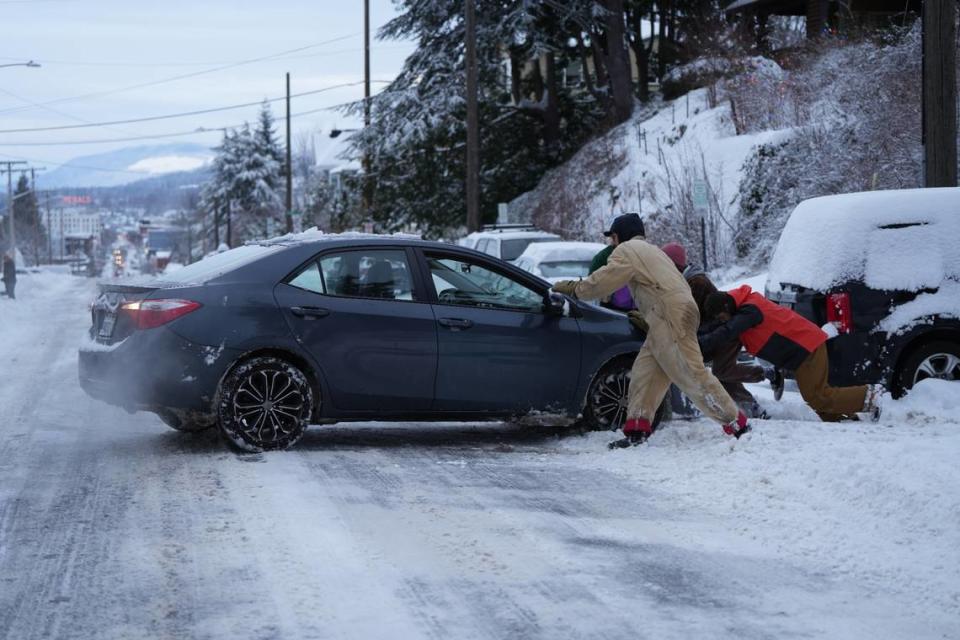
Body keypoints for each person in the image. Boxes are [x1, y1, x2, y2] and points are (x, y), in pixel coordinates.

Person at [552, 213, 750, 447]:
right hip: (668, 315)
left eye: (613, 237)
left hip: (670, 315)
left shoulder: (628, 250)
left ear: (621, 235)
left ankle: (738, 424)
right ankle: (637, 429)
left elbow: (604, 281)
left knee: (691, 372)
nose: (611, 243)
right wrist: (651, 316)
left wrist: (574, 289)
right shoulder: (652, 251)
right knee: (645, 373)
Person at [700, 286, 882, 422]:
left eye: (722, 316)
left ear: (726, 306)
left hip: (807, 347)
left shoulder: (750, 310)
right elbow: (719, 327)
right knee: (819, 403)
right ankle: (845, 420)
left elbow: (727, 331)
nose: (722, 321)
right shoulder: (739, 308)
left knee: (819, 397)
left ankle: (872, 397)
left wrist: (700, 343)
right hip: (801, 352)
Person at [659, 242, 775, 418]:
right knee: (722, 374)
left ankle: (765, 377)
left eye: (665, 263)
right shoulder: (684, 281)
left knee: (722, 372)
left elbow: (690, 318)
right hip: (713, 335)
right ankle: (752, 408)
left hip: (723, 333)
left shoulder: (696, 283)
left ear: (674, 264)